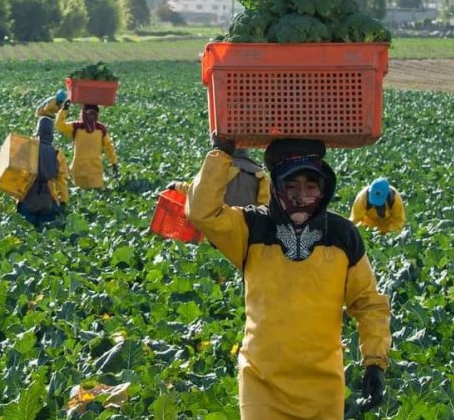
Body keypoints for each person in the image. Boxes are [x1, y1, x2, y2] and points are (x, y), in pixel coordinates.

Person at [185, 136, 391, 417]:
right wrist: (221, 153)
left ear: (324, 188)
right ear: (276, 188)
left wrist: (375, 361)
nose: (301, 196)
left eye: (310, 186)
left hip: (324, 386)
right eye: (290, 186)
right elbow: (202, 213)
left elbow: (369, 304)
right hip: (261, 383)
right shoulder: (251, 227)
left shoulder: (342, 235)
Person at [166, 147, 269, 207]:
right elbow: (265, 206)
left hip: (220, 228)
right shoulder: (260, 174)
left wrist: (178, 186)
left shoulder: (218, 170)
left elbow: (199, 193)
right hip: (250, 230)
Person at [16, 116, 70, 227]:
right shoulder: (57, 154)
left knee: (26, 232)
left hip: (27, 200)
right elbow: (62, 180)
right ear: (51, 134)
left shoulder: (27, 149)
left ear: (37, 132)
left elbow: (17, 173)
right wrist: (63, 201)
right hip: (47, 201)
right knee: (46, 233)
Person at [55, 102, 119, 189]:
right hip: (79, 167)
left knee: (95, 192)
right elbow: (60, 125)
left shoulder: (100, 128)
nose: (92, 116)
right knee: (80, 192)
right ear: (84, 114)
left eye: (94, 114)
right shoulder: (77, 126)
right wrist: (64, 110)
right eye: (90, 114)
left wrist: (114, 162)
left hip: (95, 167)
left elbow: (109, 147)